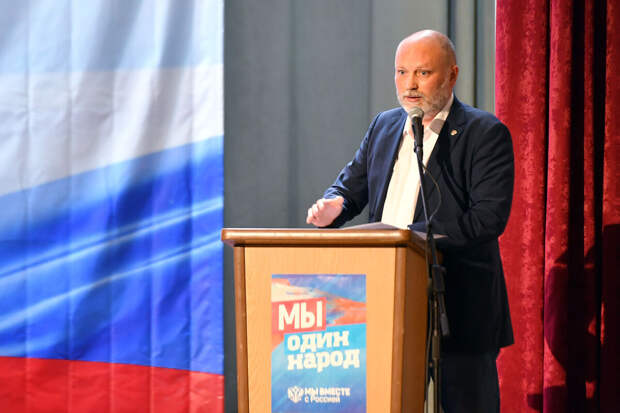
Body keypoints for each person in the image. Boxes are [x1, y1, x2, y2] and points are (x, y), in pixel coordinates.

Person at [306, 30, 514, 412]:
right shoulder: (384, 126)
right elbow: (350, 187)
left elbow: (487, 219)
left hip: (460, 310)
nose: (410, 85)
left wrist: (408, 238)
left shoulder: (484, 133)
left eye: (422, 73)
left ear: (451, 75)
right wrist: (334, 205)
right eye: (401, 72)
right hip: (387, 303)